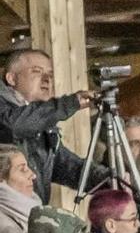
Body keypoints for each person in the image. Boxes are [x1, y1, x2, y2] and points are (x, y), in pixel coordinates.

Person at [0, 48, 89, 201]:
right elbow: (14, 126)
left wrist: (111, 179)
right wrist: (70, 103)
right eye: (37, 71)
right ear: (11, 79)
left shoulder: (41, 121)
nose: (47, 79)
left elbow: (68, 167)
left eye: (50, 74)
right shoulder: (10, 114)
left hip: (29, 215)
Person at [0, 144, 37, 233]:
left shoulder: (23, 217)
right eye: (22, 170)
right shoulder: (8, 231)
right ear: (2, 181)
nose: (33, 175)